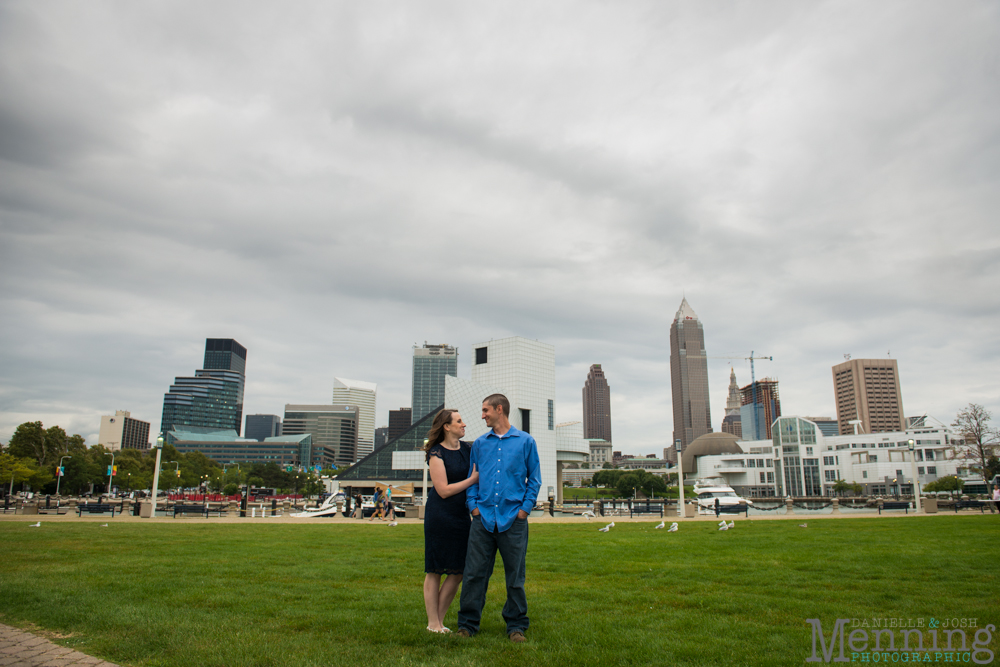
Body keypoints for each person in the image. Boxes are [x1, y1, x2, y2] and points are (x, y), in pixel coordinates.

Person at [456, 394, 541, 643]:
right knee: (474, 574)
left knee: (515, 576)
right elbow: (473, 478)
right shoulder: (480, 444)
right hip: (483, 520)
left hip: (513, 520)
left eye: (485, 410)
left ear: (499, 409)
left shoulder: (526, 441)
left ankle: (516, 626)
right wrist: (473, 507)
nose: (482, 415)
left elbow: (534, 479)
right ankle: (467, 625)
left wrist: (524, 510)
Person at [422, 409, 479, 634]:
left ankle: (439, 620)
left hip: (461, 517)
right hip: (440, 516)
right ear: (446, 426)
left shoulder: (468, 449)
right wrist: (472, 479)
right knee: (435, 569)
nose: (463, 424)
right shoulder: (436, 453)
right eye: (459, 421)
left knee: (458, 570)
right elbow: (443, 490)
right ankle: (432, 623)